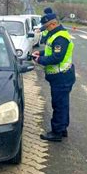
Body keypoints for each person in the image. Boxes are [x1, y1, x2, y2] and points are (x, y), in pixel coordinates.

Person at [32, 11, 75, 142]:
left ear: (53, 24)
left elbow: (56, 57)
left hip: (61, 75)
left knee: (59, 104)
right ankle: (62, 128)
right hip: (60, 75)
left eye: (47, 26)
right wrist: (40, 52)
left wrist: (40, 60)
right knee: (63, 103)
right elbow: (50, 50)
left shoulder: (60, 37)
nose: (46, 29)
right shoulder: (56, 35)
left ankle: (56, 132)